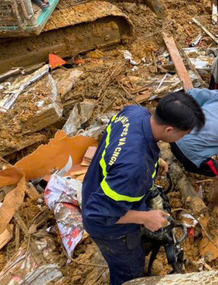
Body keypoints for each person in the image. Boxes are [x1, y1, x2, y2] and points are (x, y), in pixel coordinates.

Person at [82, 93, 205, 285]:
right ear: (170, 129)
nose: (182, 138)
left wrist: (153, 158)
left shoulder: (135, 113)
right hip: (108, 226)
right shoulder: (135, 169)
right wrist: (145, 218)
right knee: (129, 269)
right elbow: (96, 213)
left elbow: (122, 144)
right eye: (183, 134)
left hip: (96, 185)